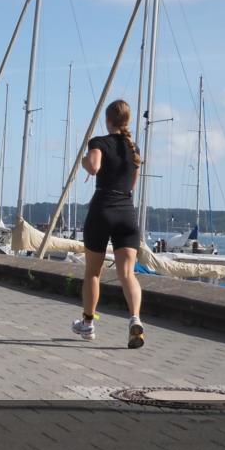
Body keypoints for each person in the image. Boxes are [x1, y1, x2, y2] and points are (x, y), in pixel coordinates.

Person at [73, 99, 144, 349]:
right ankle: (135, 318)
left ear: (108, 120)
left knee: (93, 272)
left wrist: (83, 161)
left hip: (103, 210)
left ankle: (88, 323)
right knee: (128, 274)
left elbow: (93, 167)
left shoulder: (99, 142)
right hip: (127, 212)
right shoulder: (134, 149)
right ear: (128, 120)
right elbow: (132, 185)